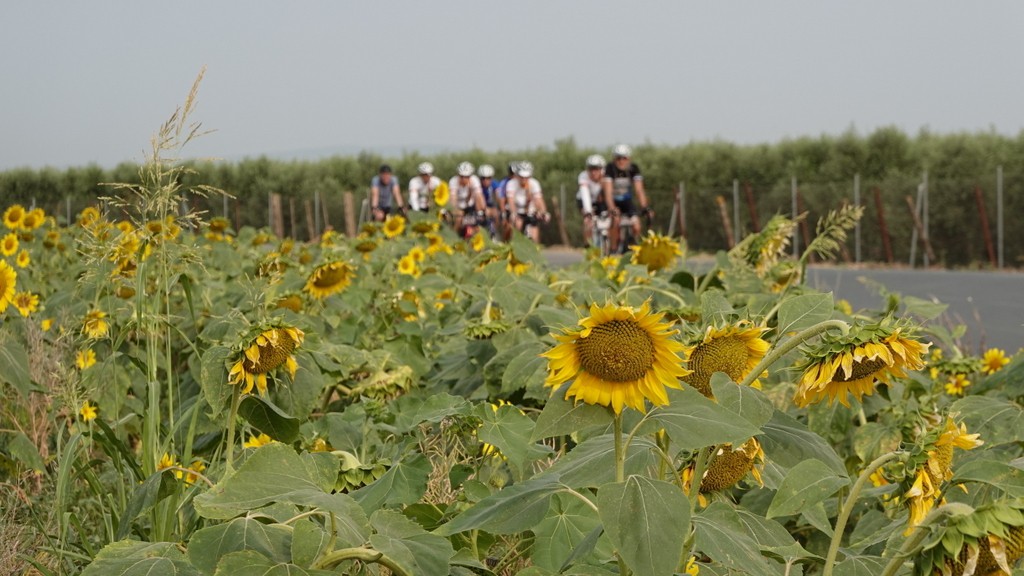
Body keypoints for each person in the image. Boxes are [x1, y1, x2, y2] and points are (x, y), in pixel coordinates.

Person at [602, 144, 652, 253]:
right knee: (615, 220)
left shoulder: (633, 168)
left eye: (624, 158)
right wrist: (612, 208)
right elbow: (608, 192)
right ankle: (613, 249)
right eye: (618, 158)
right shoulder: (610, 168)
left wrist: (645, 207)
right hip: (613, 201)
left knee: (637, 225)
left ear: (629, 159)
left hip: (627, 201)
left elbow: (639, 190)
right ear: (614, 159)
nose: (621, 161)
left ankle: (634, 248)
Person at [503, 161, 549, 243]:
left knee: (534, 236)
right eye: (521, 177)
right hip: (517, 210)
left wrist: (543, 212)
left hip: (530, 210)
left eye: (526, 177)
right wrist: (513, 212)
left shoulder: (534, 183)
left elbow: (539, 200)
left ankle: (535, 251)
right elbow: (511, 201)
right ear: (517, 175)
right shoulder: (511, 183)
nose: (524, 179)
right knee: (517, 225)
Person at [448, 161, 487, 238]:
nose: (463, 179)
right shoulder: (453, 181)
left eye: (466, 177)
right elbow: (453, 198)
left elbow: (479, 196)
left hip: (470, 206)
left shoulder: (474, 180)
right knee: (458, 219)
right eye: (461, 176)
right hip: (458, 207)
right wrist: (454, 211)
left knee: (478, 224)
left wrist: (482, 210)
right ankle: (453, 237)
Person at [577, 154, 606, 247]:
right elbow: (585, 194)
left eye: (596, 169)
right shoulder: (583, 176)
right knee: (588, 221)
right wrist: (588, 212)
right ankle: (587, 246)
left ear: (601, 169)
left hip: (600, 201)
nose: (593, 172)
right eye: (591, 169)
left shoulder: (606, 176)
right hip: (583, 199)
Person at [477, 164, 500, 238]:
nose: (485, 181)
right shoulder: (477, 185)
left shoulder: (494, 184)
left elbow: (498, 195)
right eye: (483, 178)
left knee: (496, 214)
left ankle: (495, 232)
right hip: (478, 207)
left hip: (490, 206)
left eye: (488, 178)